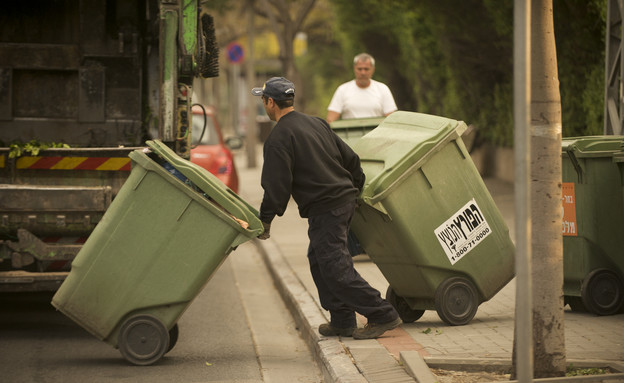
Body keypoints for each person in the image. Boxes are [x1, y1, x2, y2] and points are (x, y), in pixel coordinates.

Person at [252, 77, 401, 339]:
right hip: (341, 200)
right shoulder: (316, 122)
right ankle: (342, 319)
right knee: (319, 260)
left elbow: (276, 187)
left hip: (327, 207)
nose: (263, 104)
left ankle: (382, 313)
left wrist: (265, 220)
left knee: (334, 265)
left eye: (263, 99)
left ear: (270, 102)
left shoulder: (278, 138)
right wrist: (355, 190)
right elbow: (350, 158)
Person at [326, 53, 397, 123]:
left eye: (366, 69)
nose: (363, 73)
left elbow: (391, 120)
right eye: (359, 69)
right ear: (354, 69)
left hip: (376, 133)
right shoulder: (343, 90)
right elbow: (330, 120)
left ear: (373, 70)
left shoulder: (383, 89)